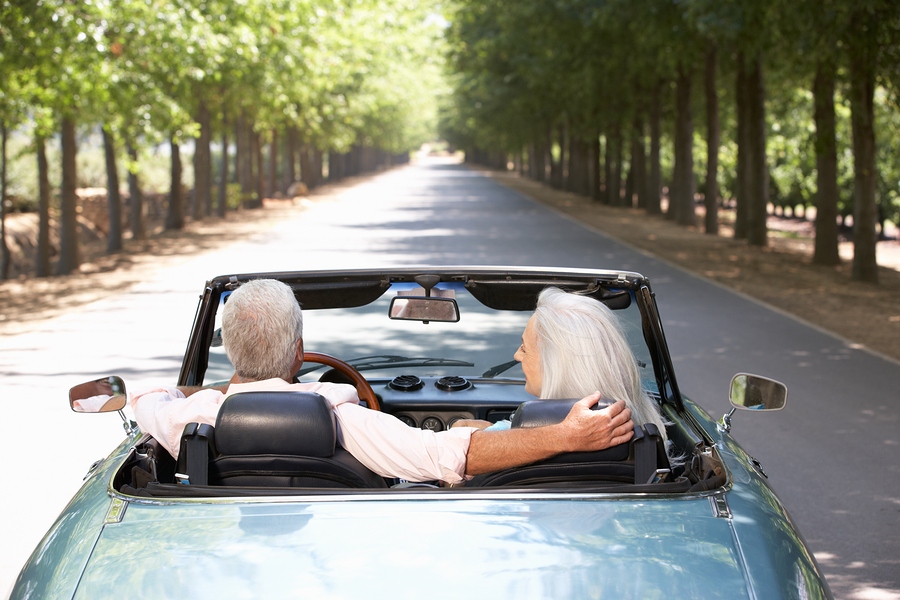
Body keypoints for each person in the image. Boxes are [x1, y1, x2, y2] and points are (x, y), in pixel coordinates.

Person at [130, 279, 635, 486]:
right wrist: (566, 435)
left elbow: (148, 396)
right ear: (299, 347)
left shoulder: (182, 419)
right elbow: (444, 458)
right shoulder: (345, 422)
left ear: (228, 348)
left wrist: (226, 389)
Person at [454, 287, 670, 452]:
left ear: (554, 365)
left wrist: (493, 436)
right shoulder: (645, 434)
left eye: (524, 348)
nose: (517, 356)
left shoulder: (508, 443)